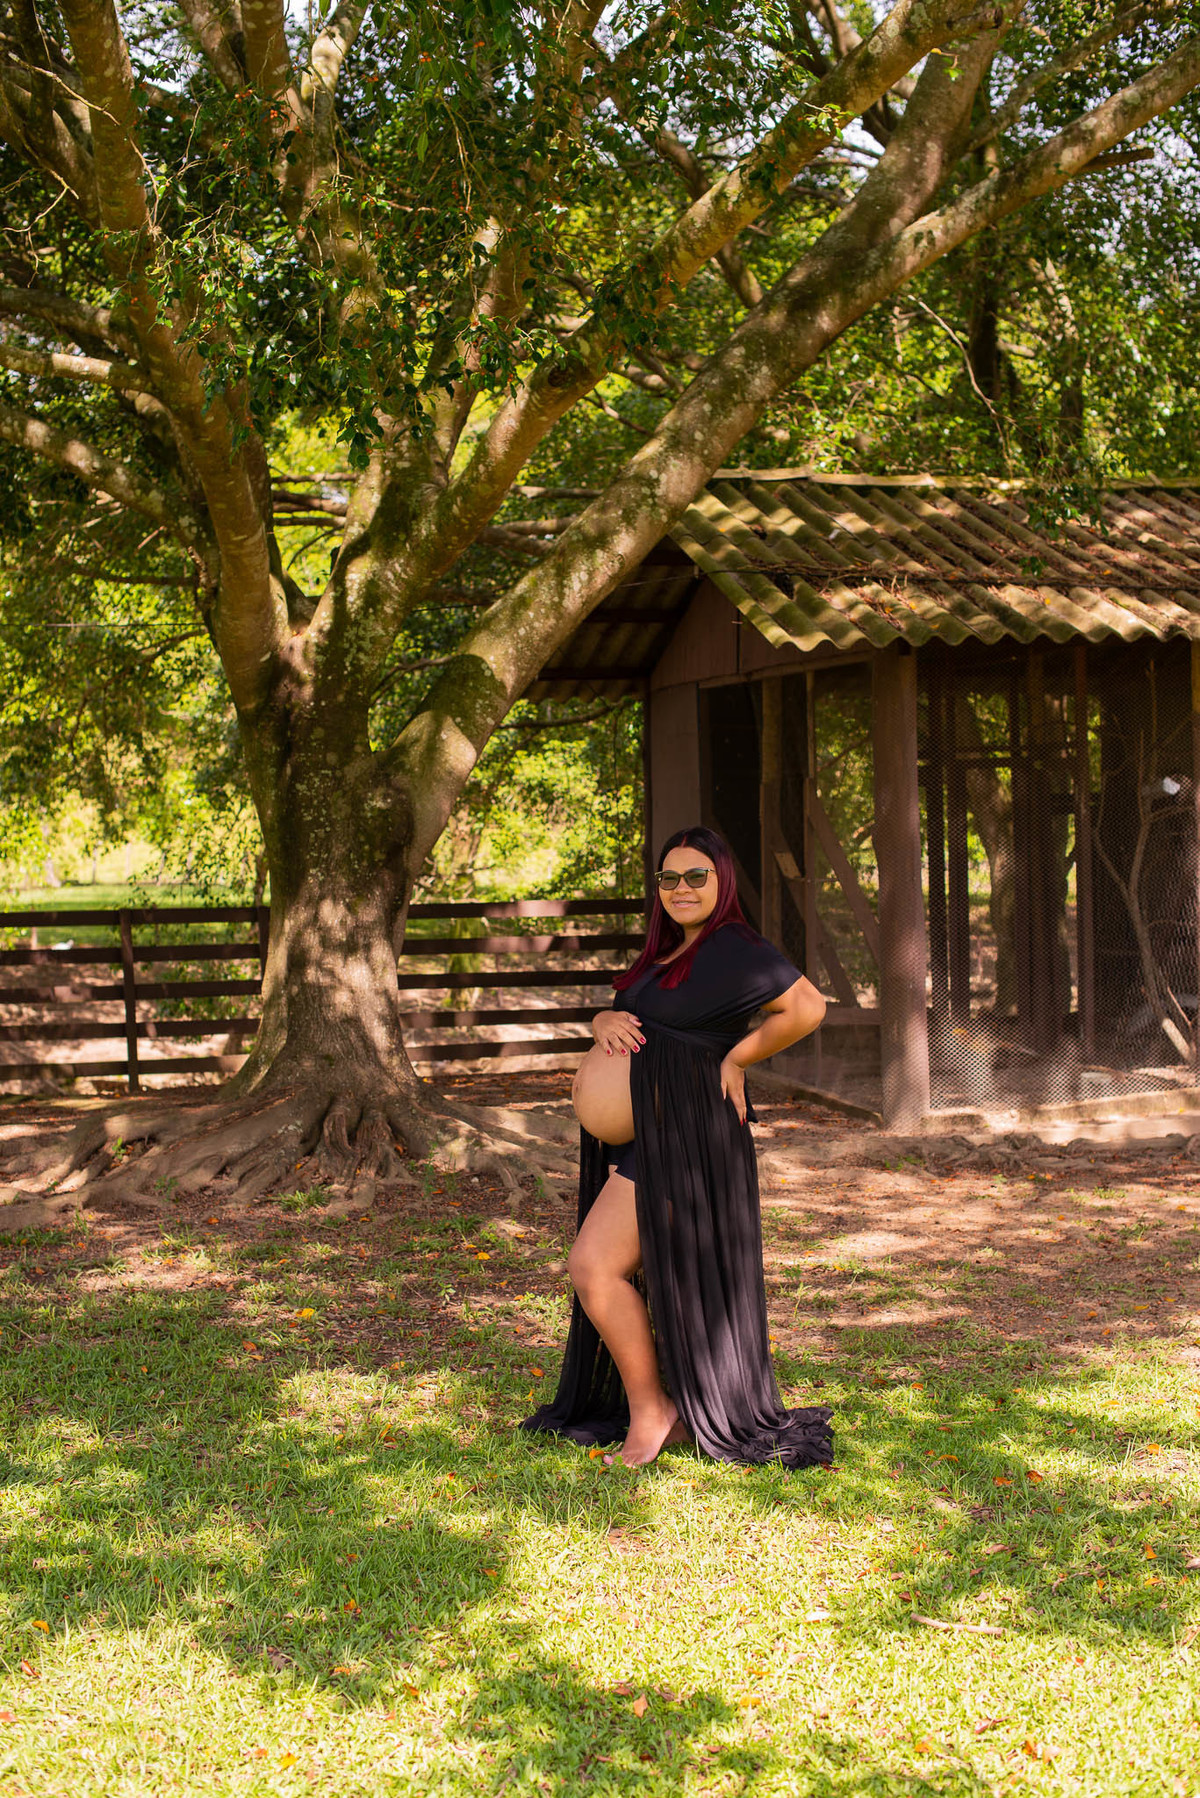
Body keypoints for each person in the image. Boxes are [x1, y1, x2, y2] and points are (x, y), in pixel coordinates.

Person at [522, 825, 833, 1469]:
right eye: (669, 877)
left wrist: (739, 1058)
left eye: (697, 876)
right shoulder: (667, 948)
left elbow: (806, 1007)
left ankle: (655, 1411)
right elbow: (632, 1016)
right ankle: (663, 1405)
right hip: (647, 1138)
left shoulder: (733, 945)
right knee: (619, 1269)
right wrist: (602, 1020)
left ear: (722, 881)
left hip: (687, 1137)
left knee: (594, 1266)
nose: (681, 888)